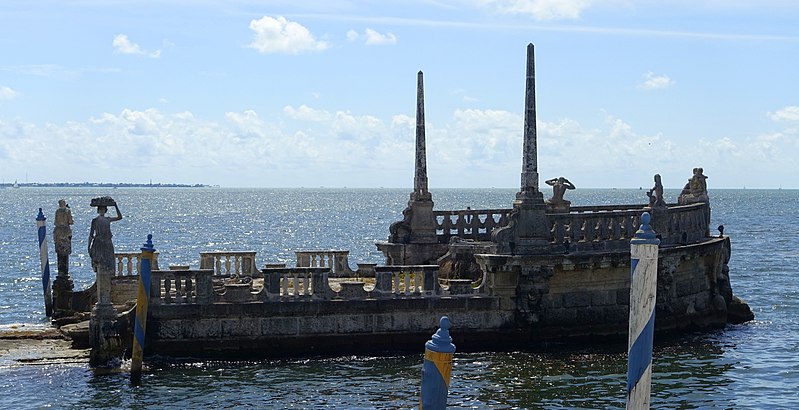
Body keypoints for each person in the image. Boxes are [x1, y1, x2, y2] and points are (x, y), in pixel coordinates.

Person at [88, 200, 123, 274]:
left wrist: (115, 206)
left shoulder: (108, 219)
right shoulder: (95, 220)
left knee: (109, 261)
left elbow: (120, 217)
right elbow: (91, 234)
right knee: (100, 262)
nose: (102, 211)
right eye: (100, 210)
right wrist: (89, 246)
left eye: (103, 210)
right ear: (98, 211)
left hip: (107, 243)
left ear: (105, 211)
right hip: (99, 243)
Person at [53, 199, 74, 274]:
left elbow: (55, 222)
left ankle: (61, 273)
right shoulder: (67, 211)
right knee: (65, 254)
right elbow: (71, 222)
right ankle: (64, 273)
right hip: (65, 232)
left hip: (58, 233)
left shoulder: (57, 211)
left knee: (60, 253)